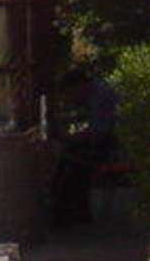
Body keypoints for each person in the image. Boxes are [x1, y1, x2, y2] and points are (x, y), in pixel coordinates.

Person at [51, 65, 121, 226]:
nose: (71, 99)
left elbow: (100, 133)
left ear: (79, 86)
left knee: (72, 164)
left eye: (70, 93)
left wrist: (69, 138)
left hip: (111, 145)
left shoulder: (100, 96)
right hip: (106, 140)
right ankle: (72, 213)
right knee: (67, 159)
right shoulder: (96, 94)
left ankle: (68, 215)